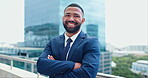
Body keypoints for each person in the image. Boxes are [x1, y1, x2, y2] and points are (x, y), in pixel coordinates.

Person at [37, 3, 100, 78]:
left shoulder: (91, 42)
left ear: (82, 20)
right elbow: (41, 66)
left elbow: (88, 74)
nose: (71, 19)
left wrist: (55, 66)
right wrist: (73, 65)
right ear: (63, 18)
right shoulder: (53, 42)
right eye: (67, 15)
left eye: (76, 16)